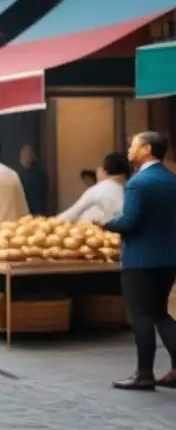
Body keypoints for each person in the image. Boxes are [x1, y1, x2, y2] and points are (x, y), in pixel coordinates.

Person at [104, 132, 176, 391]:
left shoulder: (138, 182)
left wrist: (107, 224)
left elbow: (129, 222)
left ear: (146, 149)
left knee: (142, 316)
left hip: (140, 260)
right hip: (168, 257)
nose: (128, 149)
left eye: (133, 145)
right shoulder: (170, 179)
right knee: (161, 314)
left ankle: (144, 374)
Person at [58, 153, 129, 224]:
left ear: (104, 172)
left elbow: (71, 214)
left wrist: (51, 222)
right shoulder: (131, 191)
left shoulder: (101, 189)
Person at [18, 143, 49, 215]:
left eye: (25, 155)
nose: (22, 158)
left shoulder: (37, 174)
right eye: (22, 155)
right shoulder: (23, 173)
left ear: (33, 156)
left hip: (35, 209)